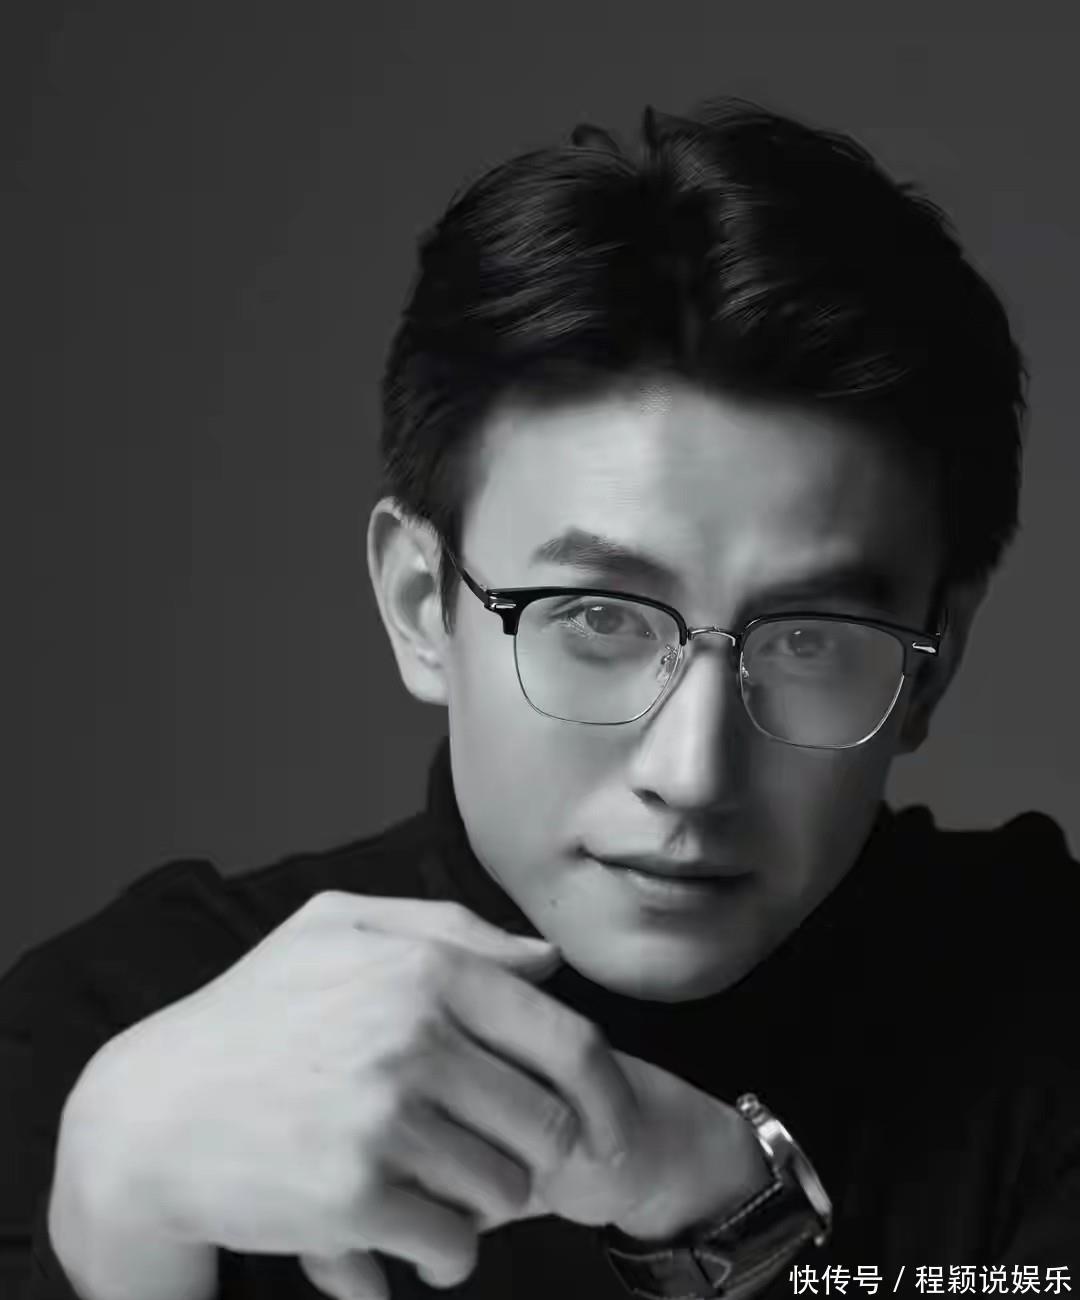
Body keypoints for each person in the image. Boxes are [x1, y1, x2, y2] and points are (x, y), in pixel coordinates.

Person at [4, 97, 1078, 1300]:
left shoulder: (1052, 1019)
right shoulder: (120, 1033)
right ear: (422, 604)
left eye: (808, 639)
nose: (692, 773)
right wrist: (114, 1236)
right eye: (600, 619)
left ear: (933, 664)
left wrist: (716, 1207)